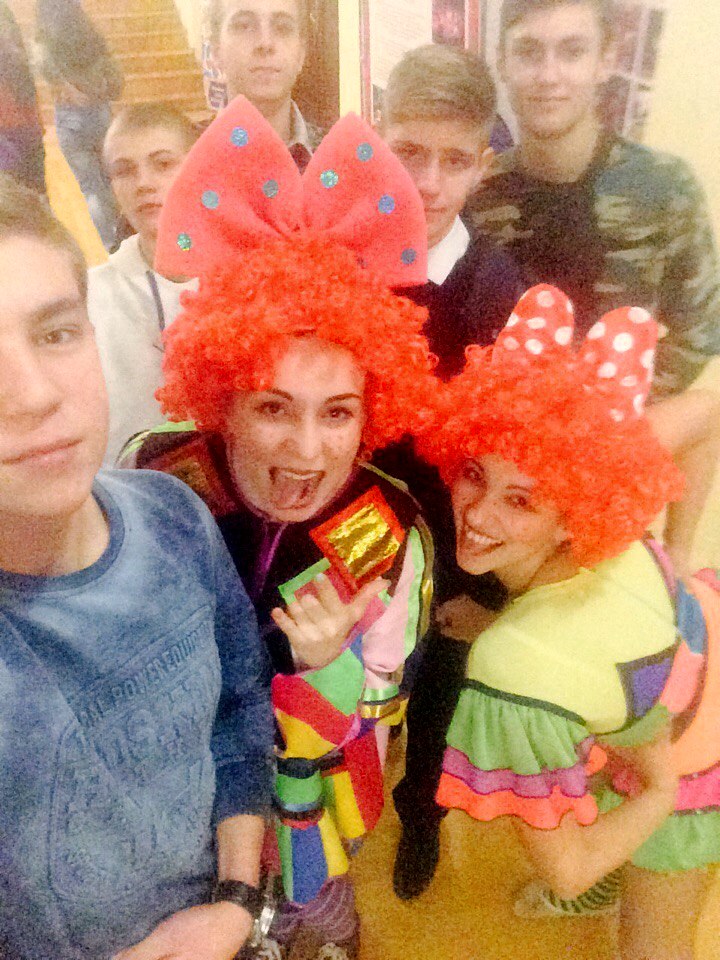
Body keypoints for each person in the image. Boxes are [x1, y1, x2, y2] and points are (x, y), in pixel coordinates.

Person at [120, 97, 435, 960]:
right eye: (272, 407)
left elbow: (384, 709)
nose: (306, 451)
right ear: (221, 399)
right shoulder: (157, 478)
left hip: (313, 801)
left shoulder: (390, 529)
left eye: (337, 412)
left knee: (315, 913)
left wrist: (327, 671)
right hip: (180, 800)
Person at [0, 173, 275, 960]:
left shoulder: (174, 515)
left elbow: (238, 708)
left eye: (56, 333)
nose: (32, 395)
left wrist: (236, 902)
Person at [418, 283, 720, 960]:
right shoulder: (598, 483)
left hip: (699, 759)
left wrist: (660, 791)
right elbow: (704, 413)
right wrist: (677, 557)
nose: (479, 515)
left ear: (569, 513)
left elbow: (568, 868)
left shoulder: (510, 672)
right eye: (474, 474)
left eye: (522, 501)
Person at [467, 0, 720, 574]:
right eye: (529, 52)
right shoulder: (481, 193)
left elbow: (701, 328)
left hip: (606, 482)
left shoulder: (663, 189)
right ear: (504, 62)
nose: (549, 74)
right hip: (498, 490)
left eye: (572, 51)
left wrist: (609, 419)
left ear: (606, 60)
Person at [377, 43, 522, 900]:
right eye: (408, 152)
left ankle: (421, 815)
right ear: (378, 139)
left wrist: (489, 587)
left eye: (454, 160)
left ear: (482, 165)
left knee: (435, 694)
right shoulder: (343, 259)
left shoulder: (497, 290)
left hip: (451, 552)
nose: (427, 183)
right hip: (348, 533)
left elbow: (512, 453)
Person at [88, 103, 199, 464]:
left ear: (199, 169)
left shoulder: (245, 284)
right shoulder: (90, 296)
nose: (143, 183)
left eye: (163, 164)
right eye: (124, 171)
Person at [35, 0, 123, 250]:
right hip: (99, 112)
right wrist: (99, 90)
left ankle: (110, 244)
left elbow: (44, 72)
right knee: (112, 178)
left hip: (70, 119)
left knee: (90, 188)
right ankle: (127, 232)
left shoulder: (45, 43)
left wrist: (67, 87)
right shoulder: (91, 37)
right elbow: (114, 76)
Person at [208, 0, 322, 169]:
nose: (265, 43)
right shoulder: (180, 162)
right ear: (216, 52)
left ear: (301, 54)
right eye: (244, 26)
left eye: (282, 28)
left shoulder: (338, 161)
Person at [0, 0, 45, 193]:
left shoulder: (14, 58)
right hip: (27, 131)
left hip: (13, 134)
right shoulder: (18, 56)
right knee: (36, 195)